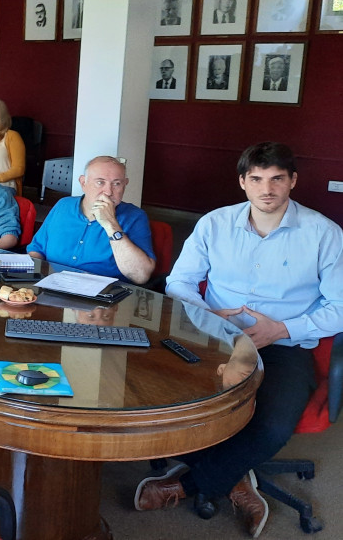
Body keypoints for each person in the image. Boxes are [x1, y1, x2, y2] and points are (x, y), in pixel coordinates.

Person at [138, 142, 343, 538]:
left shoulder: (325, 234)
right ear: (243, 182)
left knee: (272, 425)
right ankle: (235, 478)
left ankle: (186, 485)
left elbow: (340, 306)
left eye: (277, 179)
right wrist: (204, 313)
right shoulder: (214, 224)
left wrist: (282, 329)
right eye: (257, 179)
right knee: (161, 399)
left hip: (284, 344)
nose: (267, 189)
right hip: (213, 336)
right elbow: (179, 282)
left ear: (293, 181)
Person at [28, 156, 155, 284]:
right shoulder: (64, 205)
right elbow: (36, 249)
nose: (108, 192)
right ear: (83, 183)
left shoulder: (135, 217)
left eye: (116, 184)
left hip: (101, 295)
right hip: (51, 286)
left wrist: (111, 225)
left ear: (125, 185)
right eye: (100, 182)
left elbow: (141, 276)